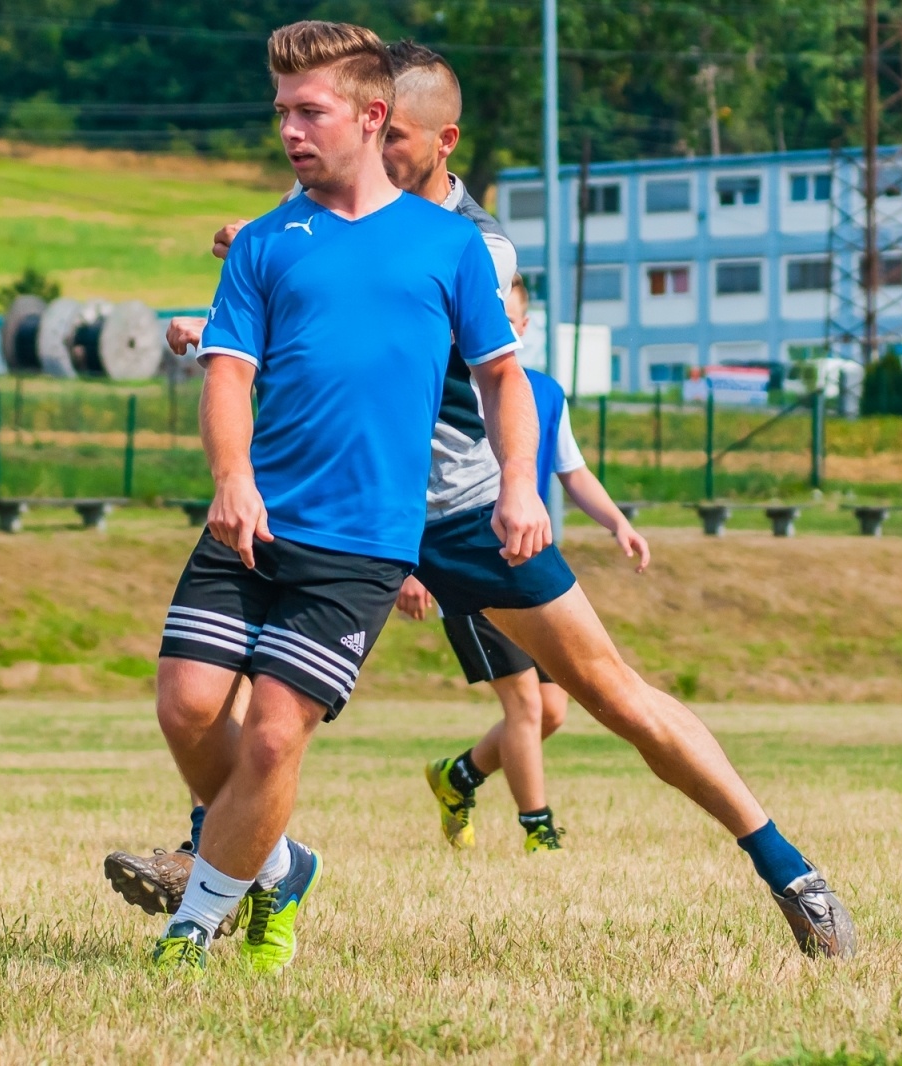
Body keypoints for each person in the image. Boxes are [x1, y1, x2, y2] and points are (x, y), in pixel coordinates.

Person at [118, 40, 857, 963]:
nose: (373, 157)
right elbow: (309, 312)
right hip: (340, 512)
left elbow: (436, 337)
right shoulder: (308, 217)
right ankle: (234, 860)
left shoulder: (479, 245)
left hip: (464, 511)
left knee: (609, 693)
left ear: (430, 138)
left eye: (396, 144)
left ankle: (788, 869)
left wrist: (521, 488)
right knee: (213, 706)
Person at [148, 20, 547, 978]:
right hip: (254, 519)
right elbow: (229, 372)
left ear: (373, 117)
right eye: (281, 110)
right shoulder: (266, 243)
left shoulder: (453, 247)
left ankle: (193, 926)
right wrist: (232, 479)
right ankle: (277, 865)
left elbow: (502, 378)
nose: (288, 128)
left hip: (362, 542)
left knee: (278, 735)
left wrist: (521, 488)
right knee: (187, 710)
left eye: (308, 110)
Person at [405, 274, 647, 854]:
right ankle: (539, 831)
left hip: (530, 564)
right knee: (524, 704)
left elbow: (573, 472)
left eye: (507, 321)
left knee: (555, 711)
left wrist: (617, 522)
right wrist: (409, 567)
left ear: (523, 326)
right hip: (470, 561)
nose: (494, 331)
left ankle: (457, 776)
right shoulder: (446, 391)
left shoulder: (543, 392)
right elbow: (421, 481)